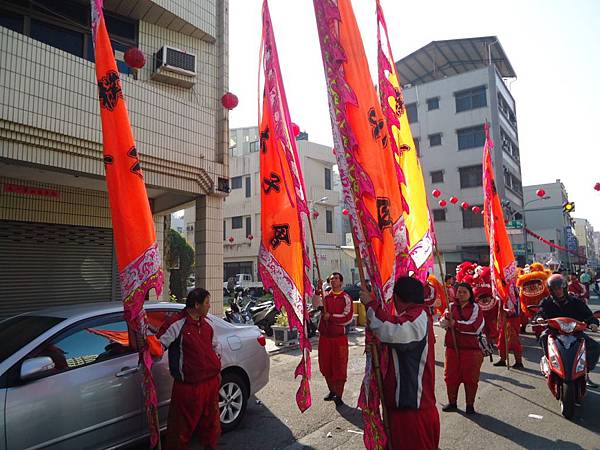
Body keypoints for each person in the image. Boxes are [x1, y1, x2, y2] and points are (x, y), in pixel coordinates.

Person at [360, 277, 439, 450]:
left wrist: (371, 305)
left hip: (414, 412)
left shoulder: (418, 316)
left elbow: (392, 330)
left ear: (396, 297)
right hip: (402, 410)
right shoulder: (413, 315)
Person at [157, 288, 221, 450]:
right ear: (196, 304)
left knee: (211, 425)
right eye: (206, 303)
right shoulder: (177, 323)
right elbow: (158, 346)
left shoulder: (208, 325)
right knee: (180, 429)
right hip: (188, 388)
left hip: (211, 383)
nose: (209, 306)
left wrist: (217, 369)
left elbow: (216, 348)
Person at [535, 274, 600, 388]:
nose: (558, 291)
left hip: (575, 332)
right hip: (554, 332)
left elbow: (589, 316)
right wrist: (539, 318)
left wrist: (593, 323)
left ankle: (585, 372)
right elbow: (540, 312)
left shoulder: (576, 301)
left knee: (595, 346)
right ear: (551, 291)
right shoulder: (547, 302)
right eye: (555, 289)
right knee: (543, 336)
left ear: (565, 288)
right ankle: (549, 361)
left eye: (560, 288)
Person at [439, 282, 485, 414]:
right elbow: (443, 320)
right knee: (450, 377)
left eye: (464, 292)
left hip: (471, 349)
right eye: (459, 292)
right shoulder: (451, 306)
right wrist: (445, 321)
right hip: (452, 348)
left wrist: (455, 324)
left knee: (470, 378)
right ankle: (452, 402)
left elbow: (475, 327)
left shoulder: (476, 307)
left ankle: (470, 405)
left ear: (470, 293)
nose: (461, 294)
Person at [317, 272, 353, 406]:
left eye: (336, 278)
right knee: (325, 366)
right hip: (325, 338)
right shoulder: (325, 295)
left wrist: (330, 317)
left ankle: (339, 395)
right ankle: (331, 390)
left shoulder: (346, 297)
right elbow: (315, 304)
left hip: (339, 339)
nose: (333, 281)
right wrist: (317, 290)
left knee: (340, 367)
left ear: (341, 282)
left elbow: (347, 318)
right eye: (331, 279)